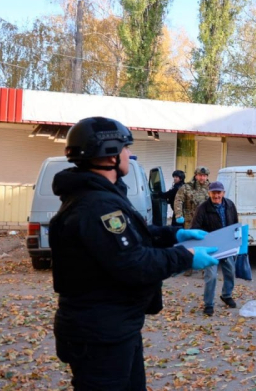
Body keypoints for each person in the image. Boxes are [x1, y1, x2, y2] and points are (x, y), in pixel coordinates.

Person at [49, 116, 219, 389]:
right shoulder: (97, 205)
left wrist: (174, 235)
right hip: (100, 334)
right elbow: (134, 262)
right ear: (110, 155)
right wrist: (186, 256)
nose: (129, 154)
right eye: (126, 148)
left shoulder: (101, 195)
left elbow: (130, 237)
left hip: (113, 326)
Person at [191, 181, 238, 316]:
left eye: (219, 192)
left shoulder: (229, 205)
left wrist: (235, 240)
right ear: (209, 193)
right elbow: (195, 228)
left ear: (223, 193)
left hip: (226, 245)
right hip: (210, 247)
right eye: (214, 193)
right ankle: (209, 304)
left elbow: (235, 223)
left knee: (230, 271)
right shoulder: (203, 208)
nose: (216, 195)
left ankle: (226, 295)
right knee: (211, 276)